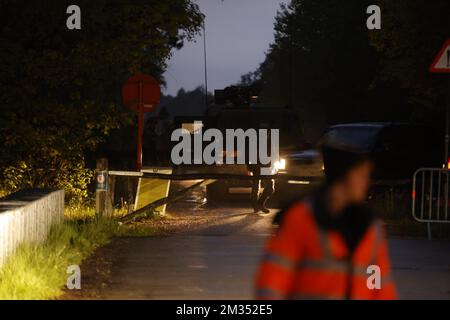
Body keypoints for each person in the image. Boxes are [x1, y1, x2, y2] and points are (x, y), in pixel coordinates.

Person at [255, 133, 397, 300]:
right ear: (345, 177)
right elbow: (272, 282)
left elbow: (381, 289)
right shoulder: (300, 218)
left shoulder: (371, 227)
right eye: (362, 175)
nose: (367, 182)